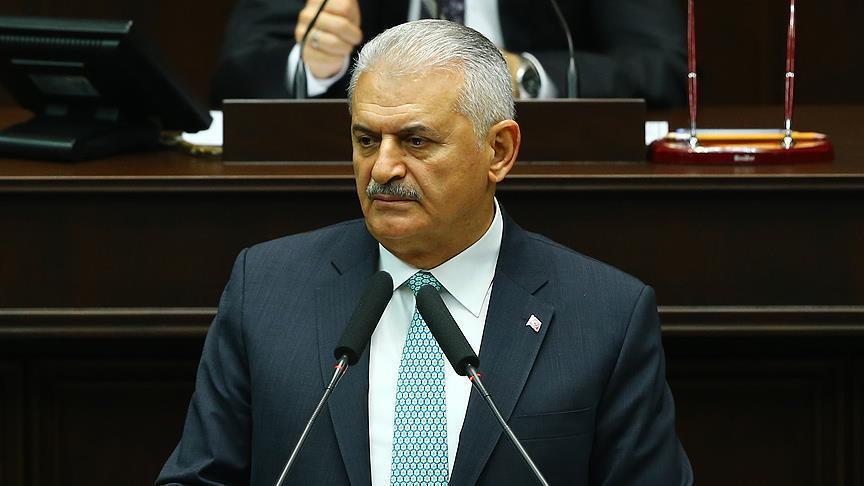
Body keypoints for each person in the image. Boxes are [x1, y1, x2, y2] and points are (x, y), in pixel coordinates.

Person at [159, 20, 692, 485]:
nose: (383, 168)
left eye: (416, 142)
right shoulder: (266, 289)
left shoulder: (606, 316)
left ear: (499, 151)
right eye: (367, 140)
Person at [210, 0, 686, 107]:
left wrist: (523, 75)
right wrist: (314, 64)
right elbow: (235, 76)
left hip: (545, 167)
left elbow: (665, 69)